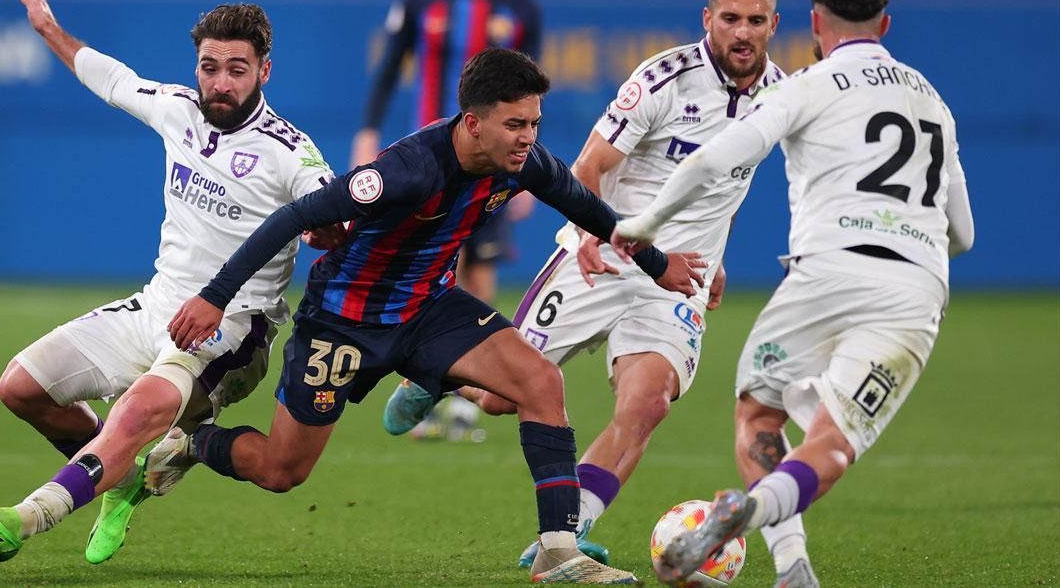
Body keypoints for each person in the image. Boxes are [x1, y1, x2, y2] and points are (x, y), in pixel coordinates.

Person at [166, 48, 707, 584]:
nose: (528, 137)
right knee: (281, 470)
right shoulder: (408, 170)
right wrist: (215, 297)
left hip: (429, 310)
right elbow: (293, 217)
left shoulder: (525, 163)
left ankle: (558, 551)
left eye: (534, 123)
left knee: (541, 381)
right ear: (473, 123)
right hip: (341, 322)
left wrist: (657, 265)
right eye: (515, 124)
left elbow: (587, 207)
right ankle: (195, 442)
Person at [384, 0, 790, 571]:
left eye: (754, 20)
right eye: (729, 17)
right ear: (708, 18)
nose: (741, 32)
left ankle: (570, 531)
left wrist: (721, 255)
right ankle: (436, 379)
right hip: (603, 258)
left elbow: (732, 183)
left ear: (773, 24)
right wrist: (589, 231)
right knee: (501, 398)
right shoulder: (662, 80)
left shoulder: (781, 97)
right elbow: (589, 165)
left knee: (647, 403)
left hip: (677, 278)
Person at [0, 0, 340, 565]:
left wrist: (329, 227)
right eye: (210, 66)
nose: (221, 82)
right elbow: (113, 80)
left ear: (265, 70)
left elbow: (332, 204)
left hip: (230, 330)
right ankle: (124, 477)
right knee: (21, 388)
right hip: (157, 304)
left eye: (237, 68)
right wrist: (50, 29)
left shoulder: (291, 152)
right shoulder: (178, 110)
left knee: (135, 413)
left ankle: (25, 518)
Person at [611, 0, 974, 587]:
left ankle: (790, 560)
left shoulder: (808, 85)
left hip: (825, 273)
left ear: (812, 23)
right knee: (835, 440)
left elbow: (713, 160)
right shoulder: (932, 101)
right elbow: (962, 234)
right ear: (885, 24)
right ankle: (778, 548)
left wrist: (645, 224)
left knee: (759, 413)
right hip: (917, 289)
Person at [352, 0, 541, 306]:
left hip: (493, 156)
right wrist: (367, 135)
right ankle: (428, 359)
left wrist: (528, 163)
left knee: (480, 270)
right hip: (429, 153)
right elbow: (387, 72)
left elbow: (531, 98)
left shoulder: (521, 10)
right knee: (429, 264)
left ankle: (471, 361)